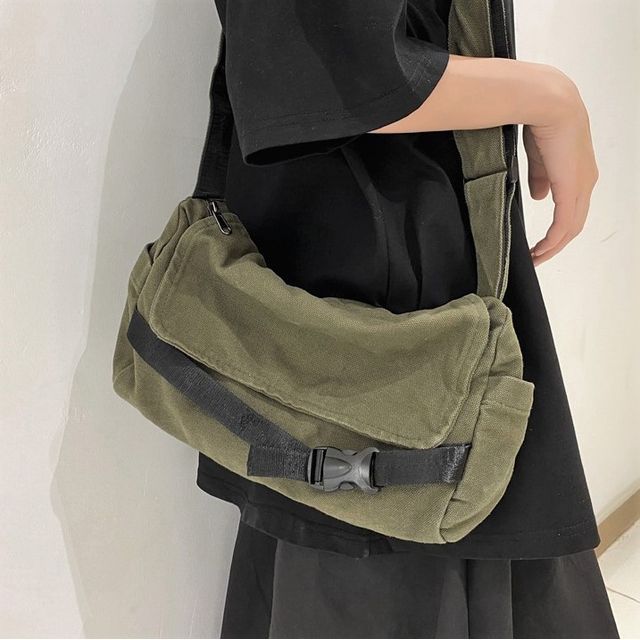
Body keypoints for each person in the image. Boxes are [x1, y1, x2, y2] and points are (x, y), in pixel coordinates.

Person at [194, 1, 619, 637]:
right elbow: (329, 63)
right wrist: (550, 98)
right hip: (372, 305)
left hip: (408, 284)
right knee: (385, 566)